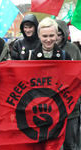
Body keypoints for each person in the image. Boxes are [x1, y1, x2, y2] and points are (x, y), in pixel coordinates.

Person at [56, 19, 81, 150]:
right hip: (52, 107)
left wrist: (78, 100)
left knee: (70, 143)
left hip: (72, 106)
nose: (55, 38)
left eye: (59, 34)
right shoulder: (44, 51)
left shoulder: (73, 49)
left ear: (64, 34)